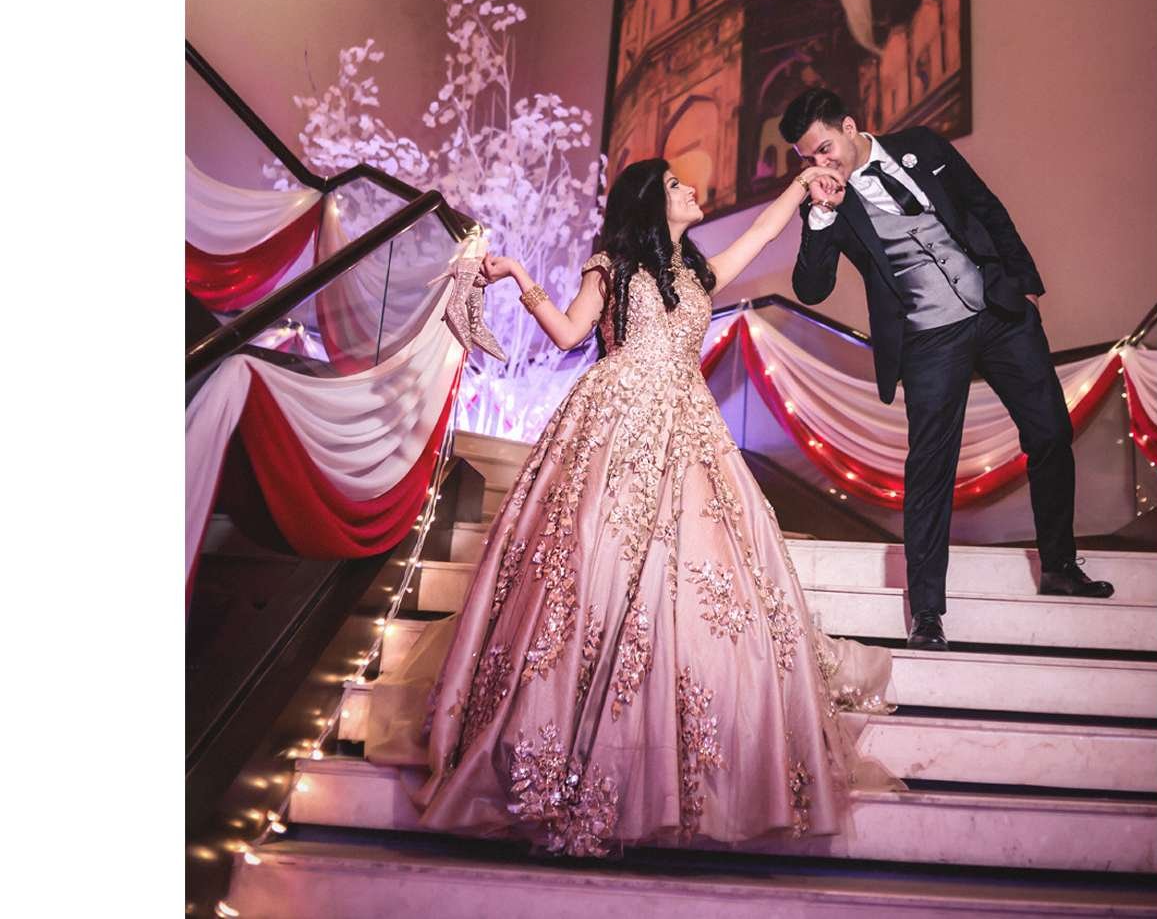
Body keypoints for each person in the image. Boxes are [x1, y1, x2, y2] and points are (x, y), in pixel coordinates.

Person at [365, 157, 893, 857]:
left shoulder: (701, 274)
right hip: (613, 422)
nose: (693, 189)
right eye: (676, 184)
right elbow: (567, 334)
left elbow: (766, 232)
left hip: (689, 426)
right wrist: (520, 277)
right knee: (592, 568)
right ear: (650, 201)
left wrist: (802, 185)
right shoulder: (611, 266)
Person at [778, 88, 1114, 653]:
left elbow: (985, 206)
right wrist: (821, 214)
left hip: (997, 311)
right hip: (929, 337)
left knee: (1051, 431)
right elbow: (811, 288)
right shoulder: (830, 202)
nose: (820, 164)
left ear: (850, 127)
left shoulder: (922, 146)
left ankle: (1059, 565)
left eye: (825, 149)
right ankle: (927, 612)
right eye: (808, 158)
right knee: (930, 469)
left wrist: (1024, 284)